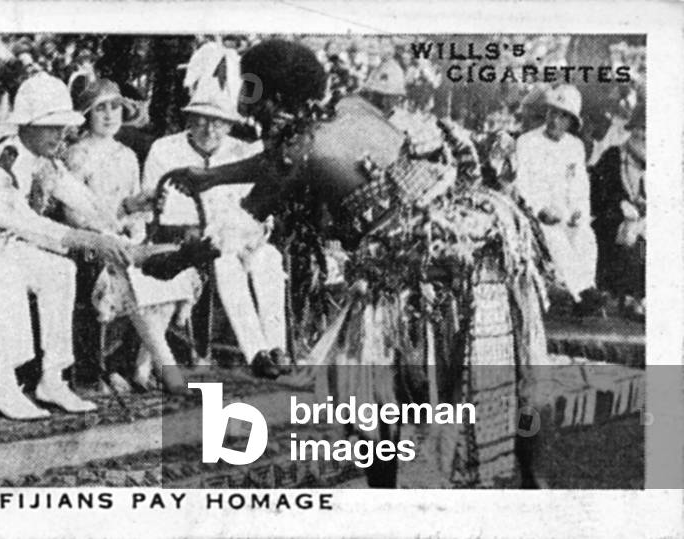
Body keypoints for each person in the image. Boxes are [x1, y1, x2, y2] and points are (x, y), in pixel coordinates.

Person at [162, 39, 548, 488]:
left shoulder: (296, 151)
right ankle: (538, 486)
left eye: (253, 93)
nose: (248, 107)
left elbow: (242, 224)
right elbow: (283, 161)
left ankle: (382, 498)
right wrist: (210, 176)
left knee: (362, 391)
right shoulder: (350, 109)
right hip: (478, 236)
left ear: (279, 98)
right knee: (513, 370)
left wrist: (173, 261)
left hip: (411, 262)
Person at [0, 72, 129, 419]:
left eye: (62, 125)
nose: (60, 133)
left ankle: (52, 377)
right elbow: (23, 223)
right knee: (8, 275)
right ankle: (5, 385)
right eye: (50, 126)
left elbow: (85, 202)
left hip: (4, 245)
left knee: (60, 269)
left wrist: (117, 232)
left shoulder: (45, 162)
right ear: (27, 126)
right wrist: (87, 239)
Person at [142, 42, 289, 380]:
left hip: (245, 238)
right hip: (192, 241)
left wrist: (257, 236)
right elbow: (159, 209)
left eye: (219, 121)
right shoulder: (165, 150)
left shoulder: (245, 151)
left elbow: (258, 204)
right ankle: (256, 352)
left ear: (230, 123)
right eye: (202, 119)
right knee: (225, 264)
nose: (210, 129)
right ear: (189, 118)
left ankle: (277, 346)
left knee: (270, 260)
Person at [63, 79, 199, 393]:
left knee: (169, 266)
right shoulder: (77, 155)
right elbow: (74, 214)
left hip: (129, 238)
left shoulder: (127, 155)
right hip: (93, 243)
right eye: (100, 109)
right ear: (87, 114)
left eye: (115, 108)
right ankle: (164, 369)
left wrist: (140, 214)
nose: (109, 115)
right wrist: (117, 221)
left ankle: (142, 364)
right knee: (130, 275)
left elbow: (136, 210)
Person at [515, 84, 599, 304]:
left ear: (571, 122)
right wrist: (540, 209)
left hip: (565, 210)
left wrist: (578, 213)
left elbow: (580, 186)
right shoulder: (527, 142)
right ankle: (580, 294)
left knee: (585, 235)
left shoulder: (575, 146)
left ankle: (588, 287)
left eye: (563, 117)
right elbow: (522, 185)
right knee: (555, 237)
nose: (555, 121)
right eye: (553, 113)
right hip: (537, 211)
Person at [591, 103, 645, 312]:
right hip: (617, 220)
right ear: (632, 129)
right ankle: (627, 296)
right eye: (641, 128)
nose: (645, 135)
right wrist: (620, 202)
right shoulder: (614, 156)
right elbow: (597, 194)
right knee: (624, 235)